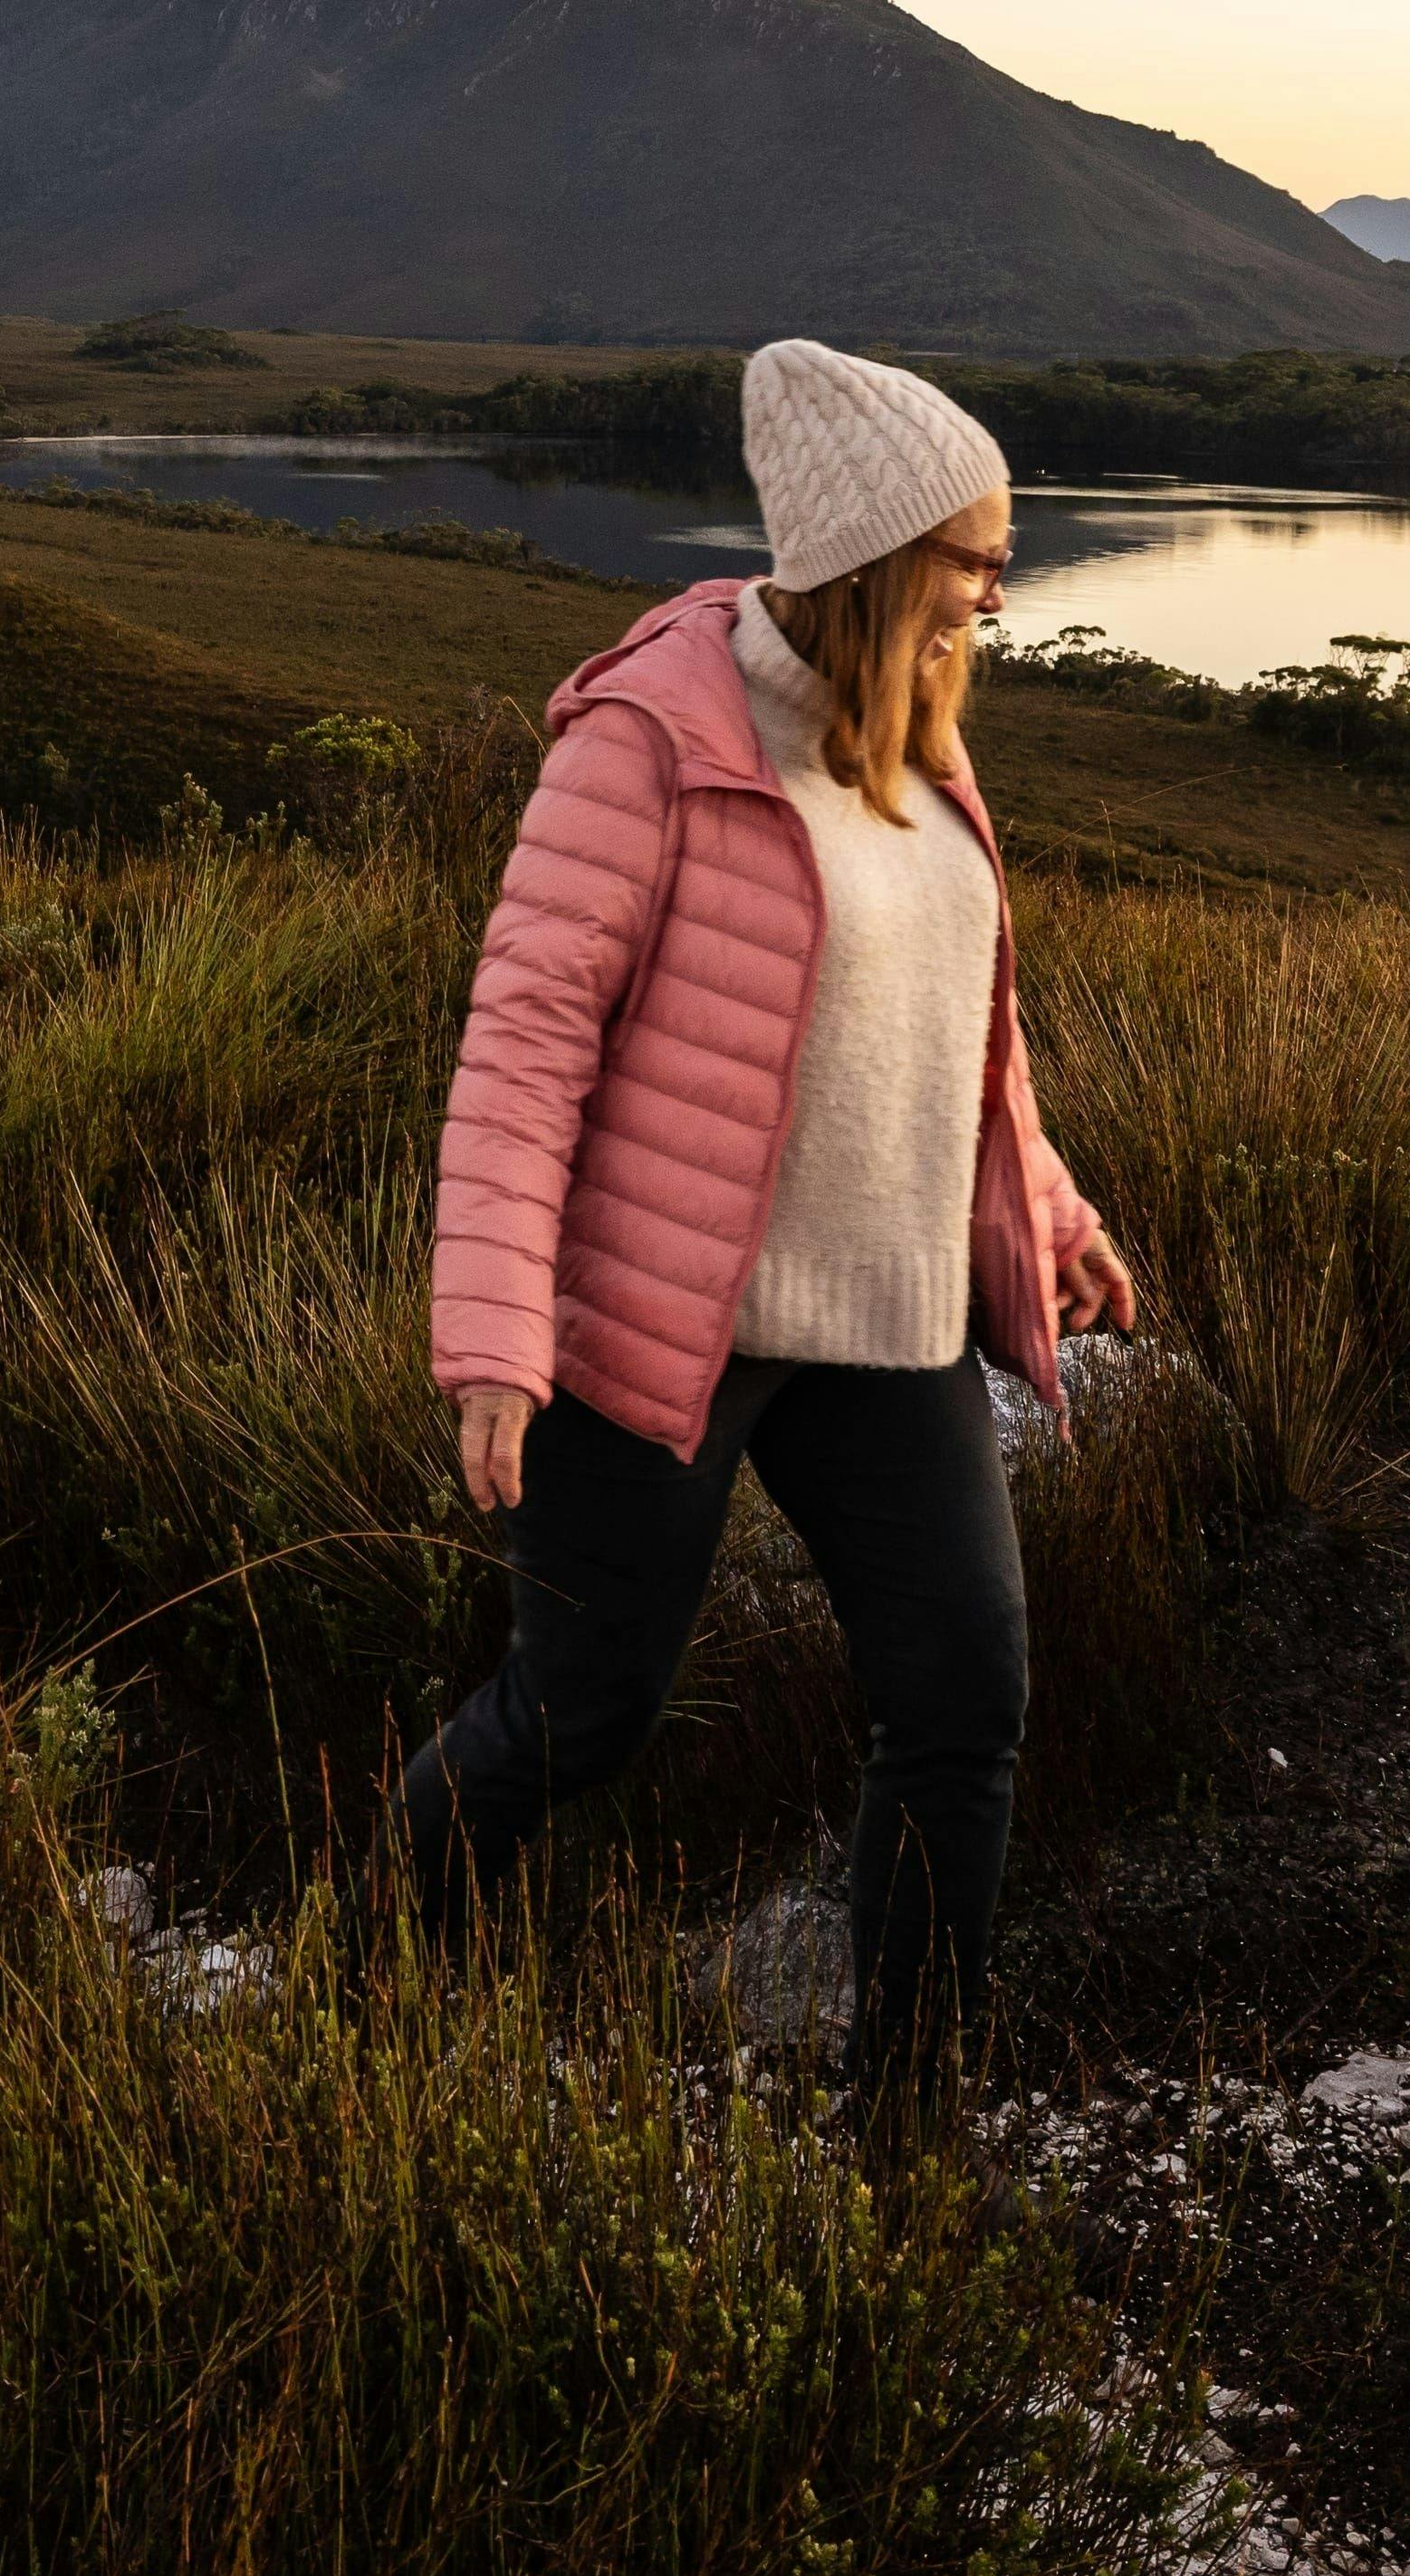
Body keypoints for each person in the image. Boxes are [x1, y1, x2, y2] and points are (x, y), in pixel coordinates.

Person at [402, 340, 1142, 2121]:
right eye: (972, 554)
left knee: (965, 1695)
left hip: (887, 1329)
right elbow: (521, 1041)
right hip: (666, 1316)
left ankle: (907, 2117)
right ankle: (410, 1965)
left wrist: (1047, 1211)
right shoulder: (651, 736)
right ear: (884, 559)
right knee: (585, 1713)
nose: (997, 582)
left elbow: (954, 1027)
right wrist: (496, 1335)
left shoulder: (924, 745)